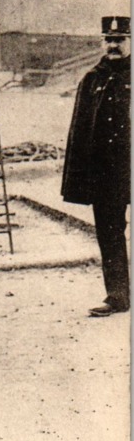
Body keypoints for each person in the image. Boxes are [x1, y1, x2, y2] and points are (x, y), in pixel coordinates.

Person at [62, 16, 131, 317]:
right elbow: (80, 129)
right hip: (109, 173)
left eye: (120, 39)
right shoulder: (93, 78)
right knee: (110, 231)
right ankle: (117, 296)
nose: (113, 45)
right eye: (108, 39)